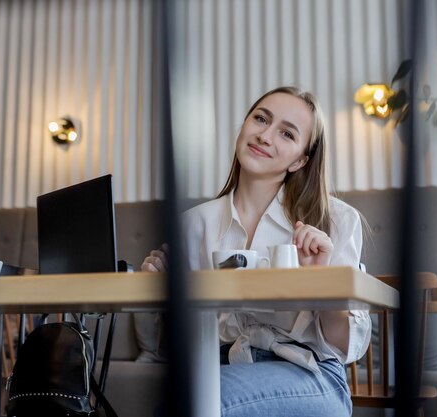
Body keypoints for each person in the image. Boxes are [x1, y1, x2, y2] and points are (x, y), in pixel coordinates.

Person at [142, 86, 371, 417]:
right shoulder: (192, 225)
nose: (265, 135)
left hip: (310, 373)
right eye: (260, 119)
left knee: (194, 404)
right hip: (217, 366)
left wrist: (321, 281)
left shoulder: (335, 219)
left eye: (287, 134)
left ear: (301, 160)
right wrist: (162, 293)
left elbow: (342, 347)